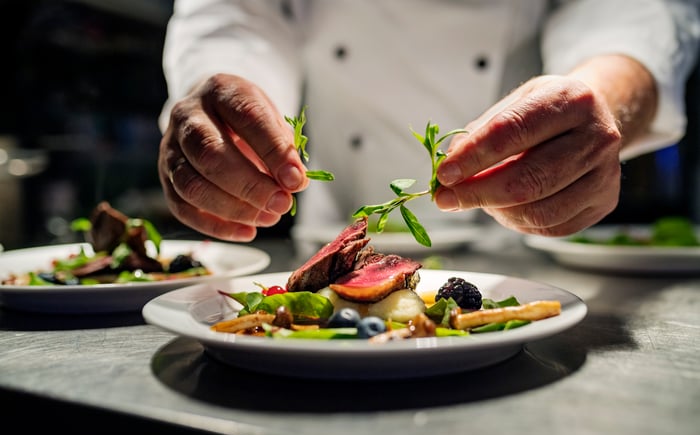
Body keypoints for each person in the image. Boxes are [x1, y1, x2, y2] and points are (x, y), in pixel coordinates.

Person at [157, 0, 700, 244]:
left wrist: (603, 93)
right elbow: (233, 14)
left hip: (512, 248)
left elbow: (635, 12)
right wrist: (224, 107)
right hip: (327, 232)